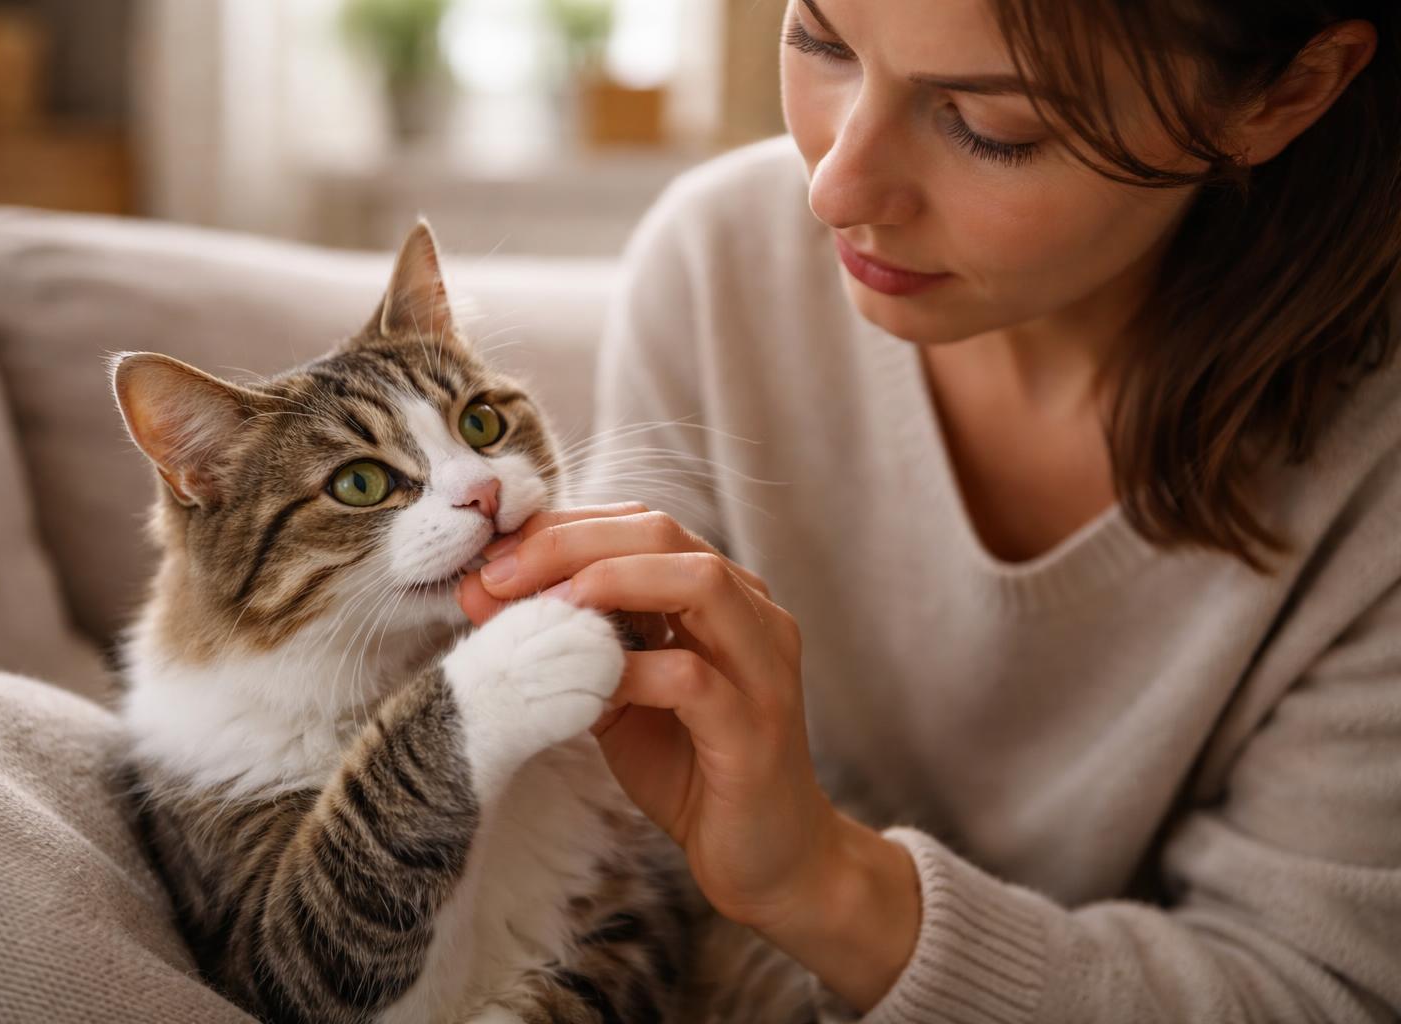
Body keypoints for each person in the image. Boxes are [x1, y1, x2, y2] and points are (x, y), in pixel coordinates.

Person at [459, 0, 1401, 1018]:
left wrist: (823, 884)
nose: (833, 187)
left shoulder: (1372, 466)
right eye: (820, 40)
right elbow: (627, 872)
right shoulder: (718, 266)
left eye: (994, 126)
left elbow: (1314, 989)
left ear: (1288, 93)